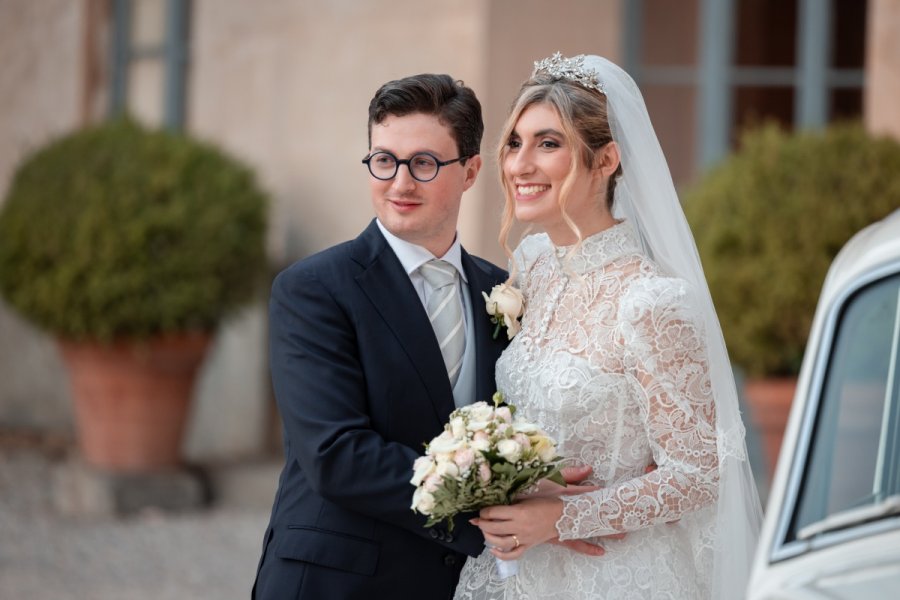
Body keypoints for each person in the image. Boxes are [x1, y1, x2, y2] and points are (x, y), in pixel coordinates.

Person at [252, 73, 601, 600]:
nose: (399, 183)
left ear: (471, 171)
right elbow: (336, 456)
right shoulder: (314, 289)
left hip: (457, 583)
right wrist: (508, 490)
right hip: (336, 580)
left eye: (424, 163)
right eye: (384, 160)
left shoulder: (505, 290)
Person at [454, 54, 763, 600]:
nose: (520, 164)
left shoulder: (652, 302)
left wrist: (564, 518)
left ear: (606, 160)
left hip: (619, 574)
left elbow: (700, 471)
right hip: (519, 571)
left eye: (548, 144)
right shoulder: (532, 265)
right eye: (515, 143)